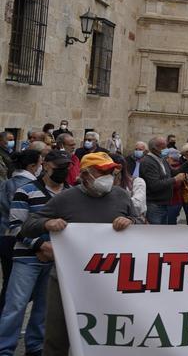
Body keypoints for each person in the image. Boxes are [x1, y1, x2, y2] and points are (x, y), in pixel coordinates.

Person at [20, 152, 139, 356]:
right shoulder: (65, 198)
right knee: (57, 337)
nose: (108, 177)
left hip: (110, 281)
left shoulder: (121, 196)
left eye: (111, 172)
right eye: (101, 172)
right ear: (84, 175)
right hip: (66, 281)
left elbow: (140, 224)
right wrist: (47, 223)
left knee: (106, 334)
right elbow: (28, 226)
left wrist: (131, 222)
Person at [0, 151, 69, 356]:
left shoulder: (70, 194)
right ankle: (4, 348)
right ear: (46, 165)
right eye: (58, 167)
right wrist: (40, 246)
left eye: (66, 167)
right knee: (16, 305)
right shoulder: (26, 191)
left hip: (56, 260)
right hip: (27, 258)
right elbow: (15, 226)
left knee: (44, 307)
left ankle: (35, 346)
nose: (63, 171)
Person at [0, 150, 42, 316]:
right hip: (17, 238)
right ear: (32, 166)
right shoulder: (28, 186)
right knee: (17, 287)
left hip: (4, 235)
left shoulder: (7, 183)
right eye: (40, 164)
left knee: (9, 282)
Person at [140, 136, 188, 224]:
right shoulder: (148, 162)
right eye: (163, 147)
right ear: (154, 149)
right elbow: (155, 185)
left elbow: (173, 172)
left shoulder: (162, 159)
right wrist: (175, 179)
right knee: (155, 231)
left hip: (165, 204)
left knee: (163, 230)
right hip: (154, 205)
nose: (166, 149)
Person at [110, 153, 146, 218]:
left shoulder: (137, 182)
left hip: (132, 221)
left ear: (118, 169)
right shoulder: (104, 183)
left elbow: (137, 206)